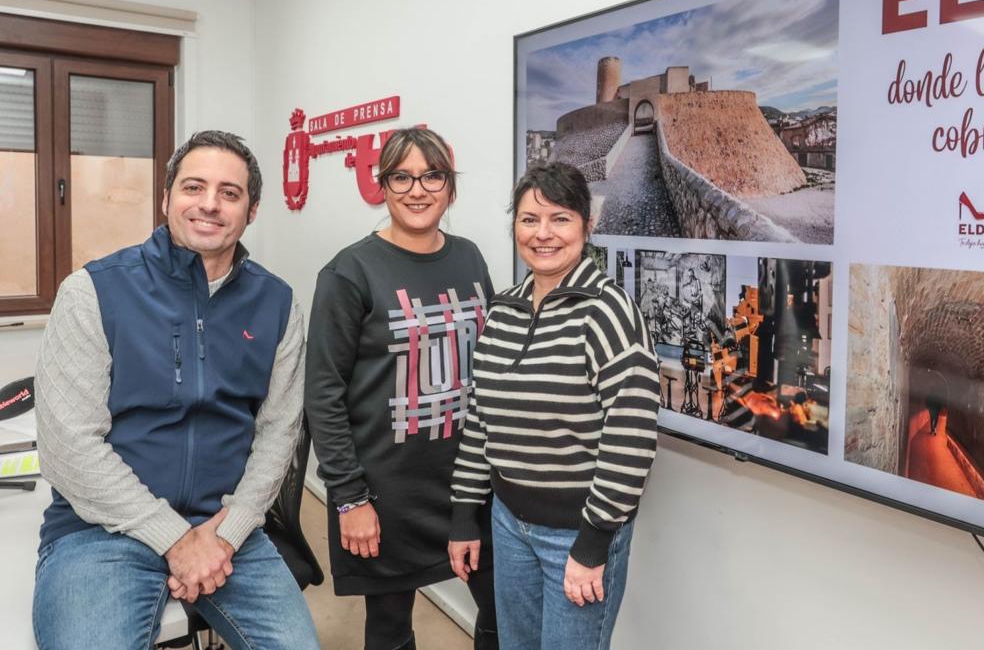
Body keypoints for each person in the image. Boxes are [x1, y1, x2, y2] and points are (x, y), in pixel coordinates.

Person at [32, 130, 318, 649]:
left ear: (252, 210)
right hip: (103, 530)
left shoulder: (277, 304)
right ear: (166, 198)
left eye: (230, 193)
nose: (209, 204)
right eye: (194, 187)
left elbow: (280, 433)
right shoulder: (93, 291)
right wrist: (175, 538)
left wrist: (224, 534)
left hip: (228, 528)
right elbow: (67, 448)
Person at [448, 161, 660, 650]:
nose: (543, 234)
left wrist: (592, 543)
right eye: (528, 219)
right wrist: (464, 515)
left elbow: (631, 436)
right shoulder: (503, 309)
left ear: (587, 226)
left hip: (576, 533)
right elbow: (481, 421)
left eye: (560, 218)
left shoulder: (608, 312)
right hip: (507, 522)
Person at [306, 127, 498, 650]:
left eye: (432, 175)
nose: (418, 189)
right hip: (387, 492)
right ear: (381, 185)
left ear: (450, 187)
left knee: (504, 611)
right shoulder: (349, 273)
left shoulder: (470, 258)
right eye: (402, 176)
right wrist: (349, 499)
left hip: (469, 483)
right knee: (391, 628)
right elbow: (323, 393)